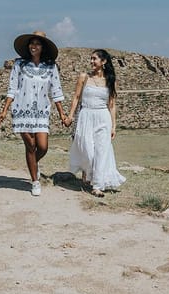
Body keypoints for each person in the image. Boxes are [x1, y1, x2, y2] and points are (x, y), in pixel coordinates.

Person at [0, 31, 69, 196]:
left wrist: (62, 114)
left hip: (42, 112)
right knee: (30, 146)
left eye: (37, 43)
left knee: (42, 147)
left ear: (42, 47)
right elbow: (12, 88)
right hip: (22, 110)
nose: (33, 46)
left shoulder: (51, 67)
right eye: (31, 43)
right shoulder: (19, 65)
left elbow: (56, 91)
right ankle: (35, 181)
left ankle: (32, 164)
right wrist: (5, 109)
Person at [63, 49, 126, 197]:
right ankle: (88, 172)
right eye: (91, 59)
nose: (91, 62)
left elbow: (112, 104)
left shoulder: (110, 80)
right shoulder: (84, 77)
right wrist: (71, 116)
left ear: (103, 62)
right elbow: (76, 97)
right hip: (86, 116)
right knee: (87, 148)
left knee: (102, 152)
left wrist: (114, 125)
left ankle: (97, 186)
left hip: (103, 117)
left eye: (94, 59)